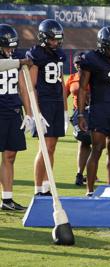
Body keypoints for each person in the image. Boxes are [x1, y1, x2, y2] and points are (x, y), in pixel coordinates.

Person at [78, 26, 110, 196]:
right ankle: (90, 190)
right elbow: (83, 89)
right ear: (101, 44)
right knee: (97, 148)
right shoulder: (91, 59)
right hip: (99, 109)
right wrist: (80, 114)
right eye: (109, 47)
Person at [26, 19, 69, 196]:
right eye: (52, 39)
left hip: (57, 103)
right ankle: (38, 188)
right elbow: (31, 85)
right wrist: (36, 111)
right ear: (44, 38)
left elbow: (61, 82)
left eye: (57, 39)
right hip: (44, 103)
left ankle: (46, 185)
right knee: (44, 147)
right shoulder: (35, 54)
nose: (56, 42)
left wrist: (66, 109)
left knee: (52, 147)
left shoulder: (59, 54)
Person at [0, 24, 34, 210]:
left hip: (12, 111)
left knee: (10, 155)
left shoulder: (15, 57)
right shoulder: (15, 61)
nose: (10, 50)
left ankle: (7, 199)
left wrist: (29, 113)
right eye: (6, 46)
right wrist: (19, 62)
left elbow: (23, 87)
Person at [65, 53, 91, 186]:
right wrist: (64, 113)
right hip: (79, 113)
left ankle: (91, 171)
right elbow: (64, 95)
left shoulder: (92, 76)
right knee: (83, 141)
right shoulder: (71, 78)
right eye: (77, 63)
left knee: (98, 144)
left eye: (81, 63)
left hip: (94, 111)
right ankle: (80, 174)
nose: (79, 66)